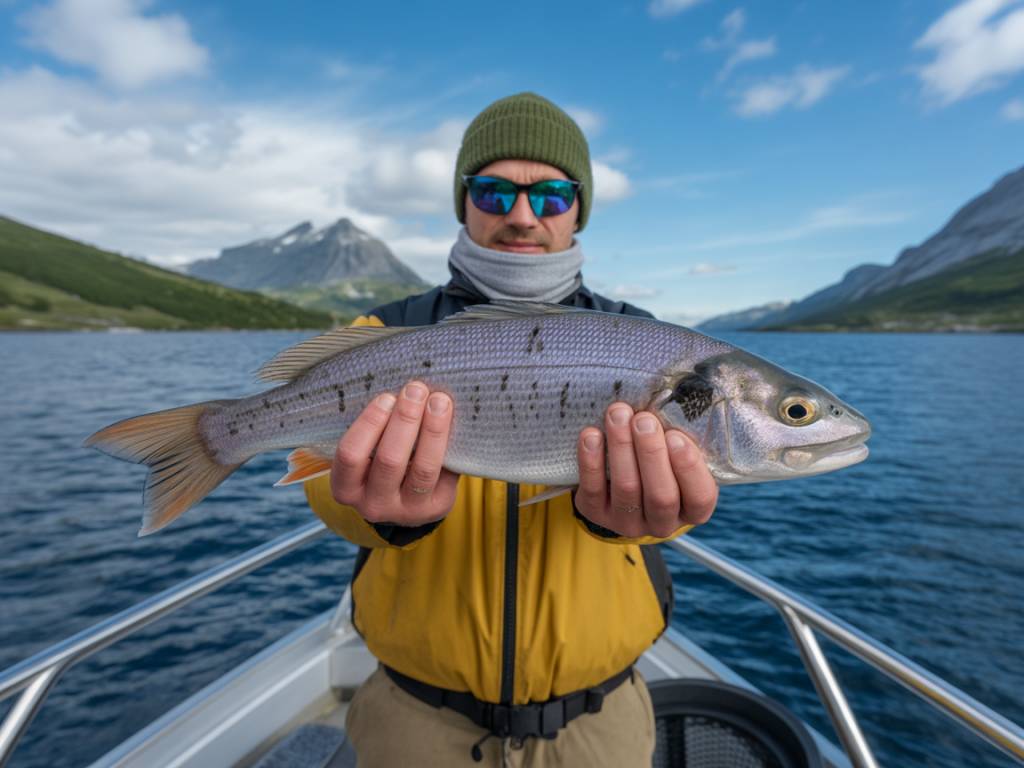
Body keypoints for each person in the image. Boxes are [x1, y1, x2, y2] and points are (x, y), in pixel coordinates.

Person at [303, 92, 718, 767]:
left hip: (600, 720)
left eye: (551, 196)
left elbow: (677, 502)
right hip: (413, 719)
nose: (522, 217)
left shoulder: (646, 338)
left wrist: (632, 518)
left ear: (579, 207)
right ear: (462, 201)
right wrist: (388, 515)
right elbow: (319, 478)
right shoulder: (377, 334)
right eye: (495, 193)